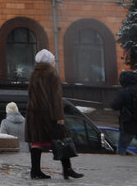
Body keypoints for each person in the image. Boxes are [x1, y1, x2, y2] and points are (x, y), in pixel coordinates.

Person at [26, 48, 83, 180]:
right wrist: (59, 116)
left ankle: (35, 171)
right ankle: (67, 169)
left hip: (34, 114)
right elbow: (56, 97)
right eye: (53, 60)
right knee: (62, 137)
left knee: (37, 142)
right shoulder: (51, 74)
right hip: (49, 114)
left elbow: (31, 95)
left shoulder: (34, 74)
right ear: (50, 61)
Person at [110, 70, 137, 155]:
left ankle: (119, 165)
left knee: (122, 146)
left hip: (128, 124)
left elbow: (115, 106)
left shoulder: (124, 92)